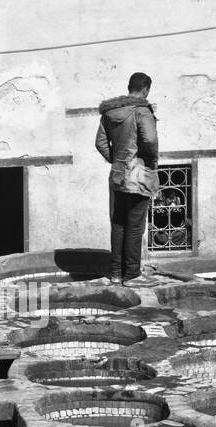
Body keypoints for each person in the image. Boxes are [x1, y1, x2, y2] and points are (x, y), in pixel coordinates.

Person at [96, 71, 159, 287]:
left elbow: (100, 143)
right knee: (134, 226)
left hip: (117, 174)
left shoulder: (110, 112)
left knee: (118, 224)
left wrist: (117, 161)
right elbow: (149, 139)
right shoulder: (142, 110)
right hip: (138, 174)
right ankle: (132, 274)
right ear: (146, 89)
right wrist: (149, 162)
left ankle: (116, 273)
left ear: (128, 86)